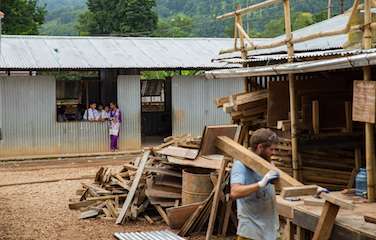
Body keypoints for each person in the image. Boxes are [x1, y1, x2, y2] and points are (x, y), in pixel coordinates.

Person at [230, 128, 280, 240]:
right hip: (251, 232)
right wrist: (260, 184)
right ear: (260, 147)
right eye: (271, 149)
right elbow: (234, 192)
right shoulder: (240, 165)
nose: (273, 153)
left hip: (270, 230)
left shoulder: (268, 163)